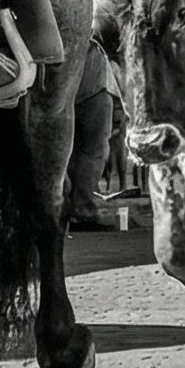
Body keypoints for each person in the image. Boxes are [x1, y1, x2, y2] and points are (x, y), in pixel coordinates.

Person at [66, 42, 117, 231]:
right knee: (93, 151)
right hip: (94, 86)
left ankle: (65, 209)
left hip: (67, 85)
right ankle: (82, 211)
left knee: (67, 151)